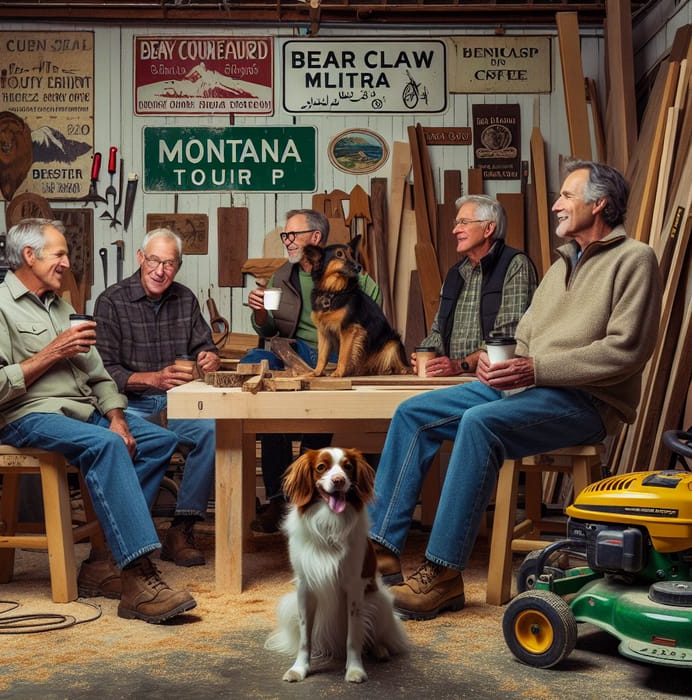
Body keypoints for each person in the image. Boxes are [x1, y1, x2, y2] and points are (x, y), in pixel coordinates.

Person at [369, 160, 663, 620]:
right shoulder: (560, 264)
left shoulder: (635, 259)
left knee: (479, 424)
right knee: (413, 413)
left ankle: (442, 575)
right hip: (525, 388)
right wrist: (494, 359)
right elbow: (523, 335)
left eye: (567, 195)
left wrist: (535, 368)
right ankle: (382, 548)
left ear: (599, 203)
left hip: (585, 401)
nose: (556, 204)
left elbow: (626, 351)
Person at [0, 218, 195, 623]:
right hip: (29, 416)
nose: (68, 262)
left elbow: (100, 376)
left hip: (84, 413)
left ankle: (102, 559)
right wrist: (52, 352)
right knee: (106, 445)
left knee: (156, 441)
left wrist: (117, 416)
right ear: (29, 256)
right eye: (60, 254)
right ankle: (136, 577)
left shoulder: (63, 306)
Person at [244, 209, 381, 532]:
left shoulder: (350, 272)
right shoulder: (283, 275)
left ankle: (311, 495)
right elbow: (269, 329)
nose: (287, 242)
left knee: (319, 410)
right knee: (260, 372)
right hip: (293, 351)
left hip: (334, 356)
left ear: (315, 239)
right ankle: (279, 499)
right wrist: (260, 313)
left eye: (293, 235)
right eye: (285, 236)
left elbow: (371, 320)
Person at [94, 228, 220, 567]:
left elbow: (204, 346)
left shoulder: (185, 298)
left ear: (178, 265)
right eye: (153, 260)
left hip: (177, 402)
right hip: (129, 405)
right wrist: (152, 378)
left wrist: (210, 356)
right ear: (140, 258)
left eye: (169, 263)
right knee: (142, 443)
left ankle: (182, 529)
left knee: (210, 431)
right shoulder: (111, 301)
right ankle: (128, 536)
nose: (160, 270)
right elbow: (103, 370)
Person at [412, 195, 537, 377]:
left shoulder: (515, 264)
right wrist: (425, 355)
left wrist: (460, 365)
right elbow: (438, 331)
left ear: (488, 228)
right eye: (456, 223)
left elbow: (509, 334)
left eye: (463, 222)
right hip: (453, 380)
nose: (455, 230)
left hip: (495, 380)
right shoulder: (455, 273)